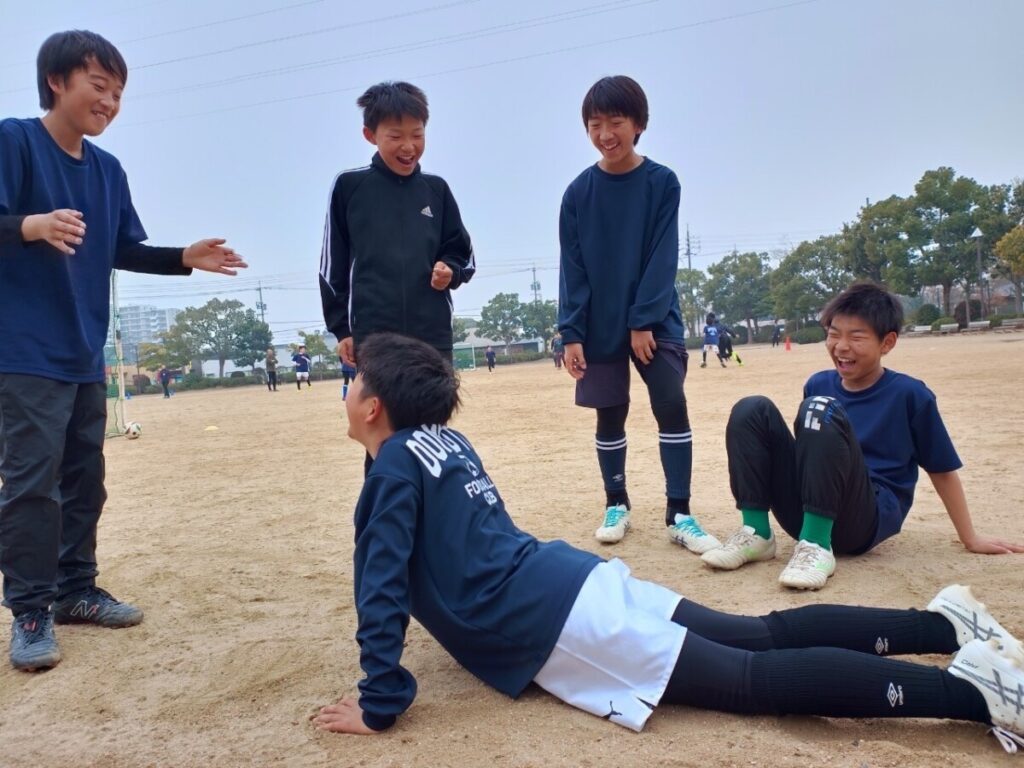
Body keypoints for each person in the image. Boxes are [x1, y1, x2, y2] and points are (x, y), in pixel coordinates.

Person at [313, 333, 1024, 756]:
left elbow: (380, 586)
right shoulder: (444, 441)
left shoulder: (394, 467)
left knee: (749, 680)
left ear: (373, 406)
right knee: (759, 634)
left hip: (558, 620)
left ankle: (975, 694)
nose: (345, 391)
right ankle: (942, 625)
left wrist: (380, 701)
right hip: (574, 579)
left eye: (352, 382)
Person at [0, 30, 246, 671]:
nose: (109, 102)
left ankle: (75, 591)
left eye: (118, 93)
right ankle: (30, 610)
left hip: (83, 351)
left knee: (86, 478)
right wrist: (31, 225)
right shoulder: (14, 141)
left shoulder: (108, 171)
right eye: (99, 86)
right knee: (31, 485)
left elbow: (122, 249)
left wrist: (183, 257)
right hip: (23, 351)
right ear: (57, 81)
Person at [701, 281, 1024, 590]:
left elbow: (941, 468)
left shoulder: (910, 395)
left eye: (856, 337)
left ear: (887, 343)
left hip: (864, 518)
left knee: (820, 408)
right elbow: (812, 456)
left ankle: (816, 544)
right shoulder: (818, 384)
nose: (841, 347)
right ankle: (757, 533)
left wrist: (970, 537)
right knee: (751, 409)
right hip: (806, 506)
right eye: (833, 334)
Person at [557, 76, 717, 553]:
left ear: (639, 124)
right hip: (597, 322)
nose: (606, 134)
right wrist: (571, 332)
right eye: (595, 125)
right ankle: (616, 503)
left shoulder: (662, 182)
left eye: (616, 122)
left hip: (654, 318)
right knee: (610, 414)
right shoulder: (577, 193)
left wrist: (643, 320)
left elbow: (662, 255)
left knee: (671, 403)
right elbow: (572, 268)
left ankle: (679, 513)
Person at [319, 81, 475, 370]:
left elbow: (463, 254)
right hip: (373, 338)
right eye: (395, 136)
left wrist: (449, 270)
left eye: (417, 135)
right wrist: (341, 329)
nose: (408, 146)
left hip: (432, 337)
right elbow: (331, 267)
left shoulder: (436, 190)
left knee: (434, 402)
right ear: (370, 135)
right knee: (375, 403)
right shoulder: (349, 187)